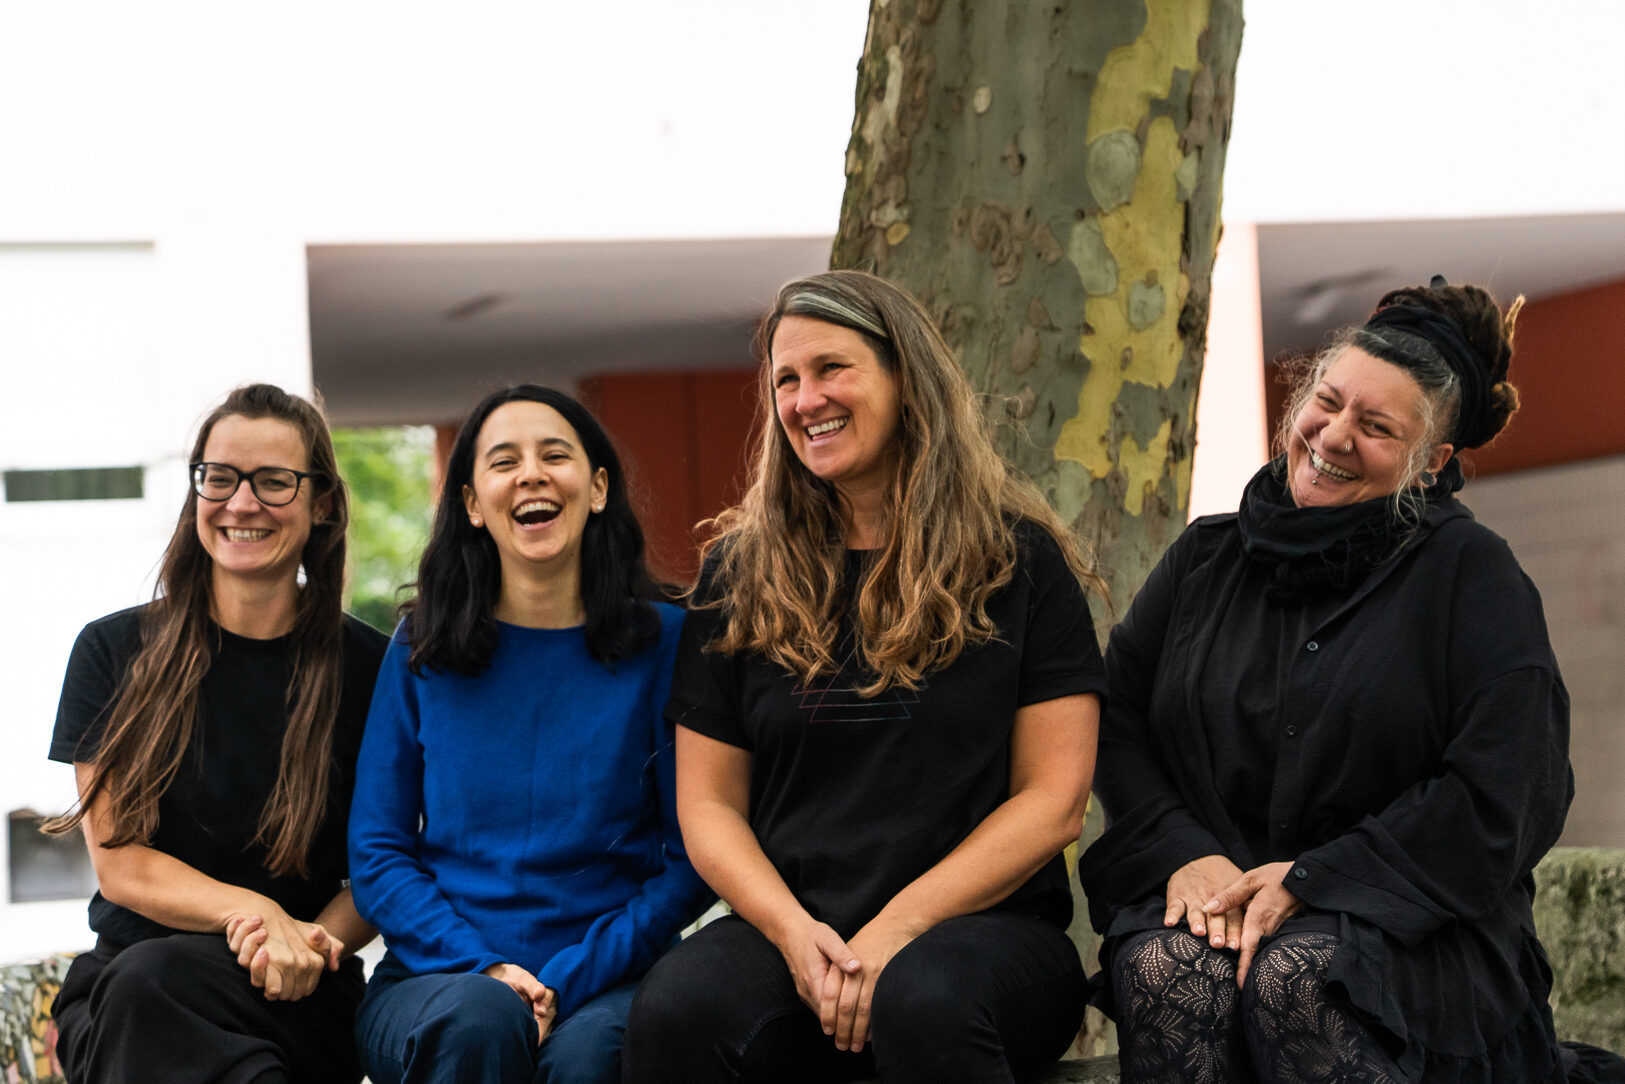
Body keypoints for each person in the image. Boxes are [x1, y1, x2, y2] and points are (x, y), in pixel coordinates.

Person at [1080, 278, 1624, 1083]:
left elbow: (1509, 790)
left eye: (1375, 427)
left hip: (1409, 928)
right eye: (1326, 402)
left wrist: (1314, 879)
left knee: (1295, 976)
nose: (1331, 436)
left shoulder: (1471, 575)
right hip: (1213, 895)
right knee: (1170, 972)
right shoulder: (1203, 558)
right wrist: (1180, 851)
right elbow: (1114, 714)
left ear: (1430, 462)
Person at [622, 270, 1107, 1084]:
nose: (806, 399)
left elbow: (1053, 802)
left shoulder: (1017, 561)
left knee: (923, 1001)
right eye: (785, 379)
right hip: (795, 932)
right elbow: (706, 804)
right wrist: (788, 931)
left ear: (904, 377)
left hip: (983, 935)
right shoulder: (739, 573)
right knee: (679, 1010)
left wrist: (898, 928)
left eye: (831, 368)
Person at [348, 384, 712, 1084]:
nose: (531, 475)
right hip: (440, 978)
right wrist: (486, 970)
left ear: (598, 488)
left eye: (554, 455)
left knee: (585, 1061)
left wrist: (569, 978)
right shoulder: (421, 646)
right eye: (503, 461)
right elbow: (377, 852)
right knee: (482, 1021)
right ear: (471, 504)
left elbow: (691, 852)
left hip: (616, 977)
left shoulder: (666, 642)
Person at [45, 383, 390, 1084]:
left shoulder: (375, 669)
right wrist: (260, 914)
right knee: (153, 982)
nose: (241, 503)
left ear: (321, 503)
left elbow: (385, 860)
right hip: (130, 980)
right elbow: (123, 865)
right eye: (220, 478)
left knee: (156, 997)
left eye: (273, 482)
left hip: (294, 986)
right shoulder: (112, 652)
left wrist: (310, 945)